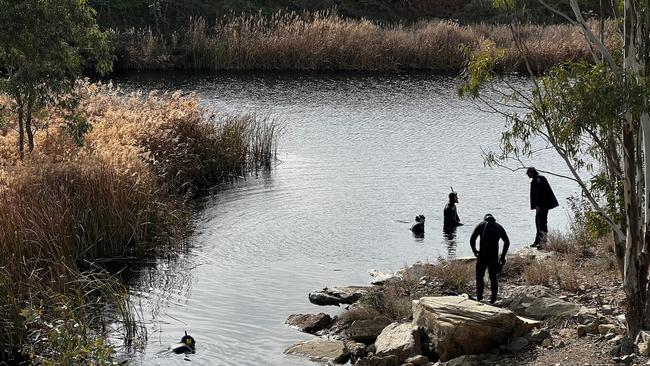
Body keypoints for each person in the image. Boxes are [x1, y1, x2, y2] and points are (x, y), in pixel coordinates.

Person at [470, 213, 510, 304]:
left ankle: (479, 297)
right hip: (493, 256)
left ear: (485, 219)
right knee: (493, 277)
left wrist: (475, 251)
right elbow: (507, 242)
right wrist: (503, 256)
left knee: (480, 277)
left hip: (482, 255)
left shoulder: (480, 225)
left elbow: (472, 239)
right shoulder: (499, 227)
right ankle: (493, 298)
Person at [526, 167, 559, 248]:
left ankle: (543, 243)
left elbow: (541, 194)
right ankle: (537, 241)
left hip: (543, 205)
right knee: (538, 222)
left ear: (532, 172)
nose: (527, 175)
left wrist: (538, 206)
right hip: (541, 205)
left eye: (528, 173)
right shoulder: (536, 179)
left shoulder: (539, 179)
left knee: (542, 223)